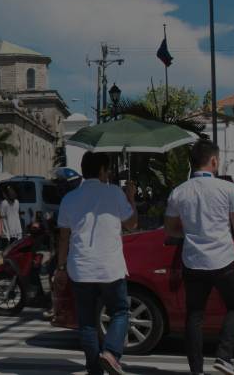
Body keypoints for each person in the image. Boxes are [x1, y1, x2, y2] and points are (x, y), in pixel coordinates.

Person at [164, 140, 234, 375]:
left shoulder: (179, 192)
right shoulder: (228, 189)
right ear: (214, 161)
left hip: (193, 262)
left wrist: (193, 231)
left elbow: (170, 229)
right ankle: (224, 357)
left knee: (194, 316)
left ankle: (196, 370)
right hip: (224, 260)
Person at [55, 152, 136, 375]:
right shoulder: (115, 193)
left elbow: (63, 236)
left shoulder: (70, 198)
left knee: (87, 321)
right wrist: (130, 197)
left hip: (80, 268)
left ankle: (94, 368)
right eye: (107, 169)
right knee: (120, 311)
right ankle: (110, 353)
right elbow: (131, 224)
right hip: (110, 268)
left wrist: (60, 268)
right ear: (101, 170)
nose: (109, 173)